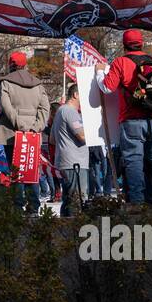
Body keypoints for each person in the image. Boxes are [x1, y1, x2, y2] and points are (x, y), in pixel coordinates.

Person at [96, 29, 152, 205]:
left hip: (131, 120)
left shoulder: (120, 62)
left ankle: (137, 201)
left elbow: (107, 88)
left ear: (124, 46)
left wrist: (100, 72)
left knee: (133, 160)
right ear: (141, 44)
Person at [0, 51, 51, 213]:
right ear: (26, 65)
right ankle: (33, 207)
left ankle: (17, 206)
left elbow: (6, 107)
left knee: (15, 171)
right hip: (33, 133)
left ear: (10, 65)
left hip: (11, 132)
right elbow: (45, 108)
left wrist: (20, 126)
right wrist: (36, 127)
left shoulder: (6, 83)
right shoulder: (38, 85)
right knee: (32, 170)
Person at [51, 83, 89, 216]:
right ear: (76, 95)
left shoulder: (60, 111)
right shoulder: (70, 112)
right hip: (75, 164)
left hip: (67, 162)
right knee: (76, 201)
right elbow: (82, 136)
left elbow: (52, 140)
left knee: (68, 201)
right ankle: (74, 231)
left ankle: (65, 232)